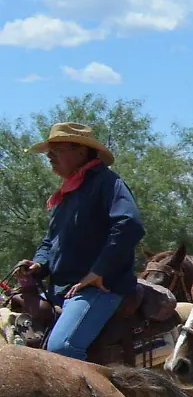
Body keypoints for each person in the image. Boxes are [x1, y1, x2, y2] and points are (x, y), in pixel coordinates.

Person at [11, 122, 143, 359]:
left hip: (99, 289)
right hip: (61, 288)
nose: (49, 156)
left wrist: (99, 271)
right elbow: (50, 241)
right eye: (48, 151)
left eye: (56, 149)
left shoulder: (107, 183)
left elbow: (129, 225)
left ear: (81, 151)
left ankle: (90, 396)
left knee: (63, 348)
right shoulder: (68, 192)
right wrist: (38, 265)